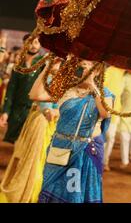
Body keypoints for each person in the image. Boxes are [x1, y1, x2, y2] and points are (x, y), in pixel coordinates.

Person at [34, 60, 113, 203]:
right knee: (50, 187)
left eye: (89, 66)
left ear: (98, 71)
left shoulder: (105, 93)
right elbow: (35, 95)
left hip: (86, 151)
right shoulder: (66, 89)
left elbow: (105, 113)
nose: (84, 69)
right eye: (81, 66)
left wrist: (92, 86)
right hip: (59, 148)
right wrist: (47, 68)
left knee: (76, 195)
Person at [0, 60, 61, 203]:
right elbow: (39, 100)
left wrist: (57, 110)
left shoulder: (63, 79)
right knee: (34, 161)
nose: (59, 65)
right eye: (57, 61)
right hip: (41, 124)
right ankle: (29, 193)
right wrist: (51, 110)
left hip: (50, 125)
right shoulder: (47, 78)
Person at [0, 34, 43, 143]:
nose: (33, 45)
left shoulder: (43, 64)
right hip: (17, 111)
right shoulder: (19, 65)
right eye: (30, 42)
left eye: (36, 42)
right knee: (10, 143)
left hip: (35, 111)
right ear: (24, 44)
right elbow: (11, 90)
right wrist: (6, 112)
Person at [103, 65, 125, 172]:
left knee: (110, 137)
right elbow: (101, 88)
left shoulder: (125, 75)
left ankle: (105, 161)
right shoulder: (110, 71)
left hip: (116, 112)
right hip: (104, 110)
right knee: (104, 136)